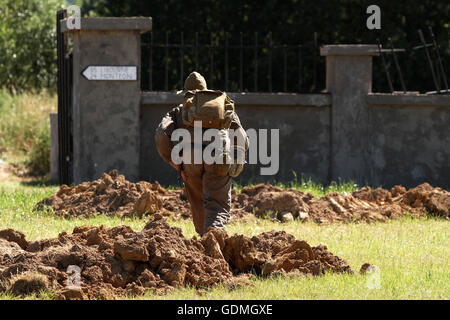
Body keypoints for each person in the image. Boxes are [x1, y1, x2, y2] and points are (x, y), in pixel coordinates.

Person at [155, 71, 248, 235]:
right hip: (219, 156)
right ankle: (213, 237)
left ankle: (204, 240)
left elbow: (161, 134)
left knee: (198, 201)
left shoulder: (179, 111)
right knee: (217, 203)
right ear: (205, 90)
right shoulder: (220, 107)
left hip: (191, 160)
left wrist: (175, 163)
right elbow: (242, 138)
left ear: (186, 93)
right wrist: (237, 157)